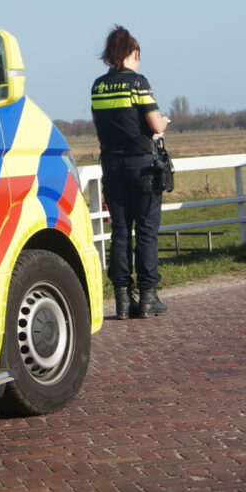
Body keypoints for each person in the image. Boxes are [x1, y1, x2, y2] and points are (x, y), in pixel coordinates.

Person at [91, 26, 170, 319]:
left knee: (120, 231)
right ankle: (148, 298)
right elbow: (155, 125)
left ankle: (123, 300)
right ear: (131, 53)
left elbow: (100, 124)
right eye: (138, 54)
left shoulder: (97, 86)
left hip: (111, 165)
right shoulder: (138, 83)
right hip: (141, 166)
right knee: (147, 231)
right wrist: (165, 120)